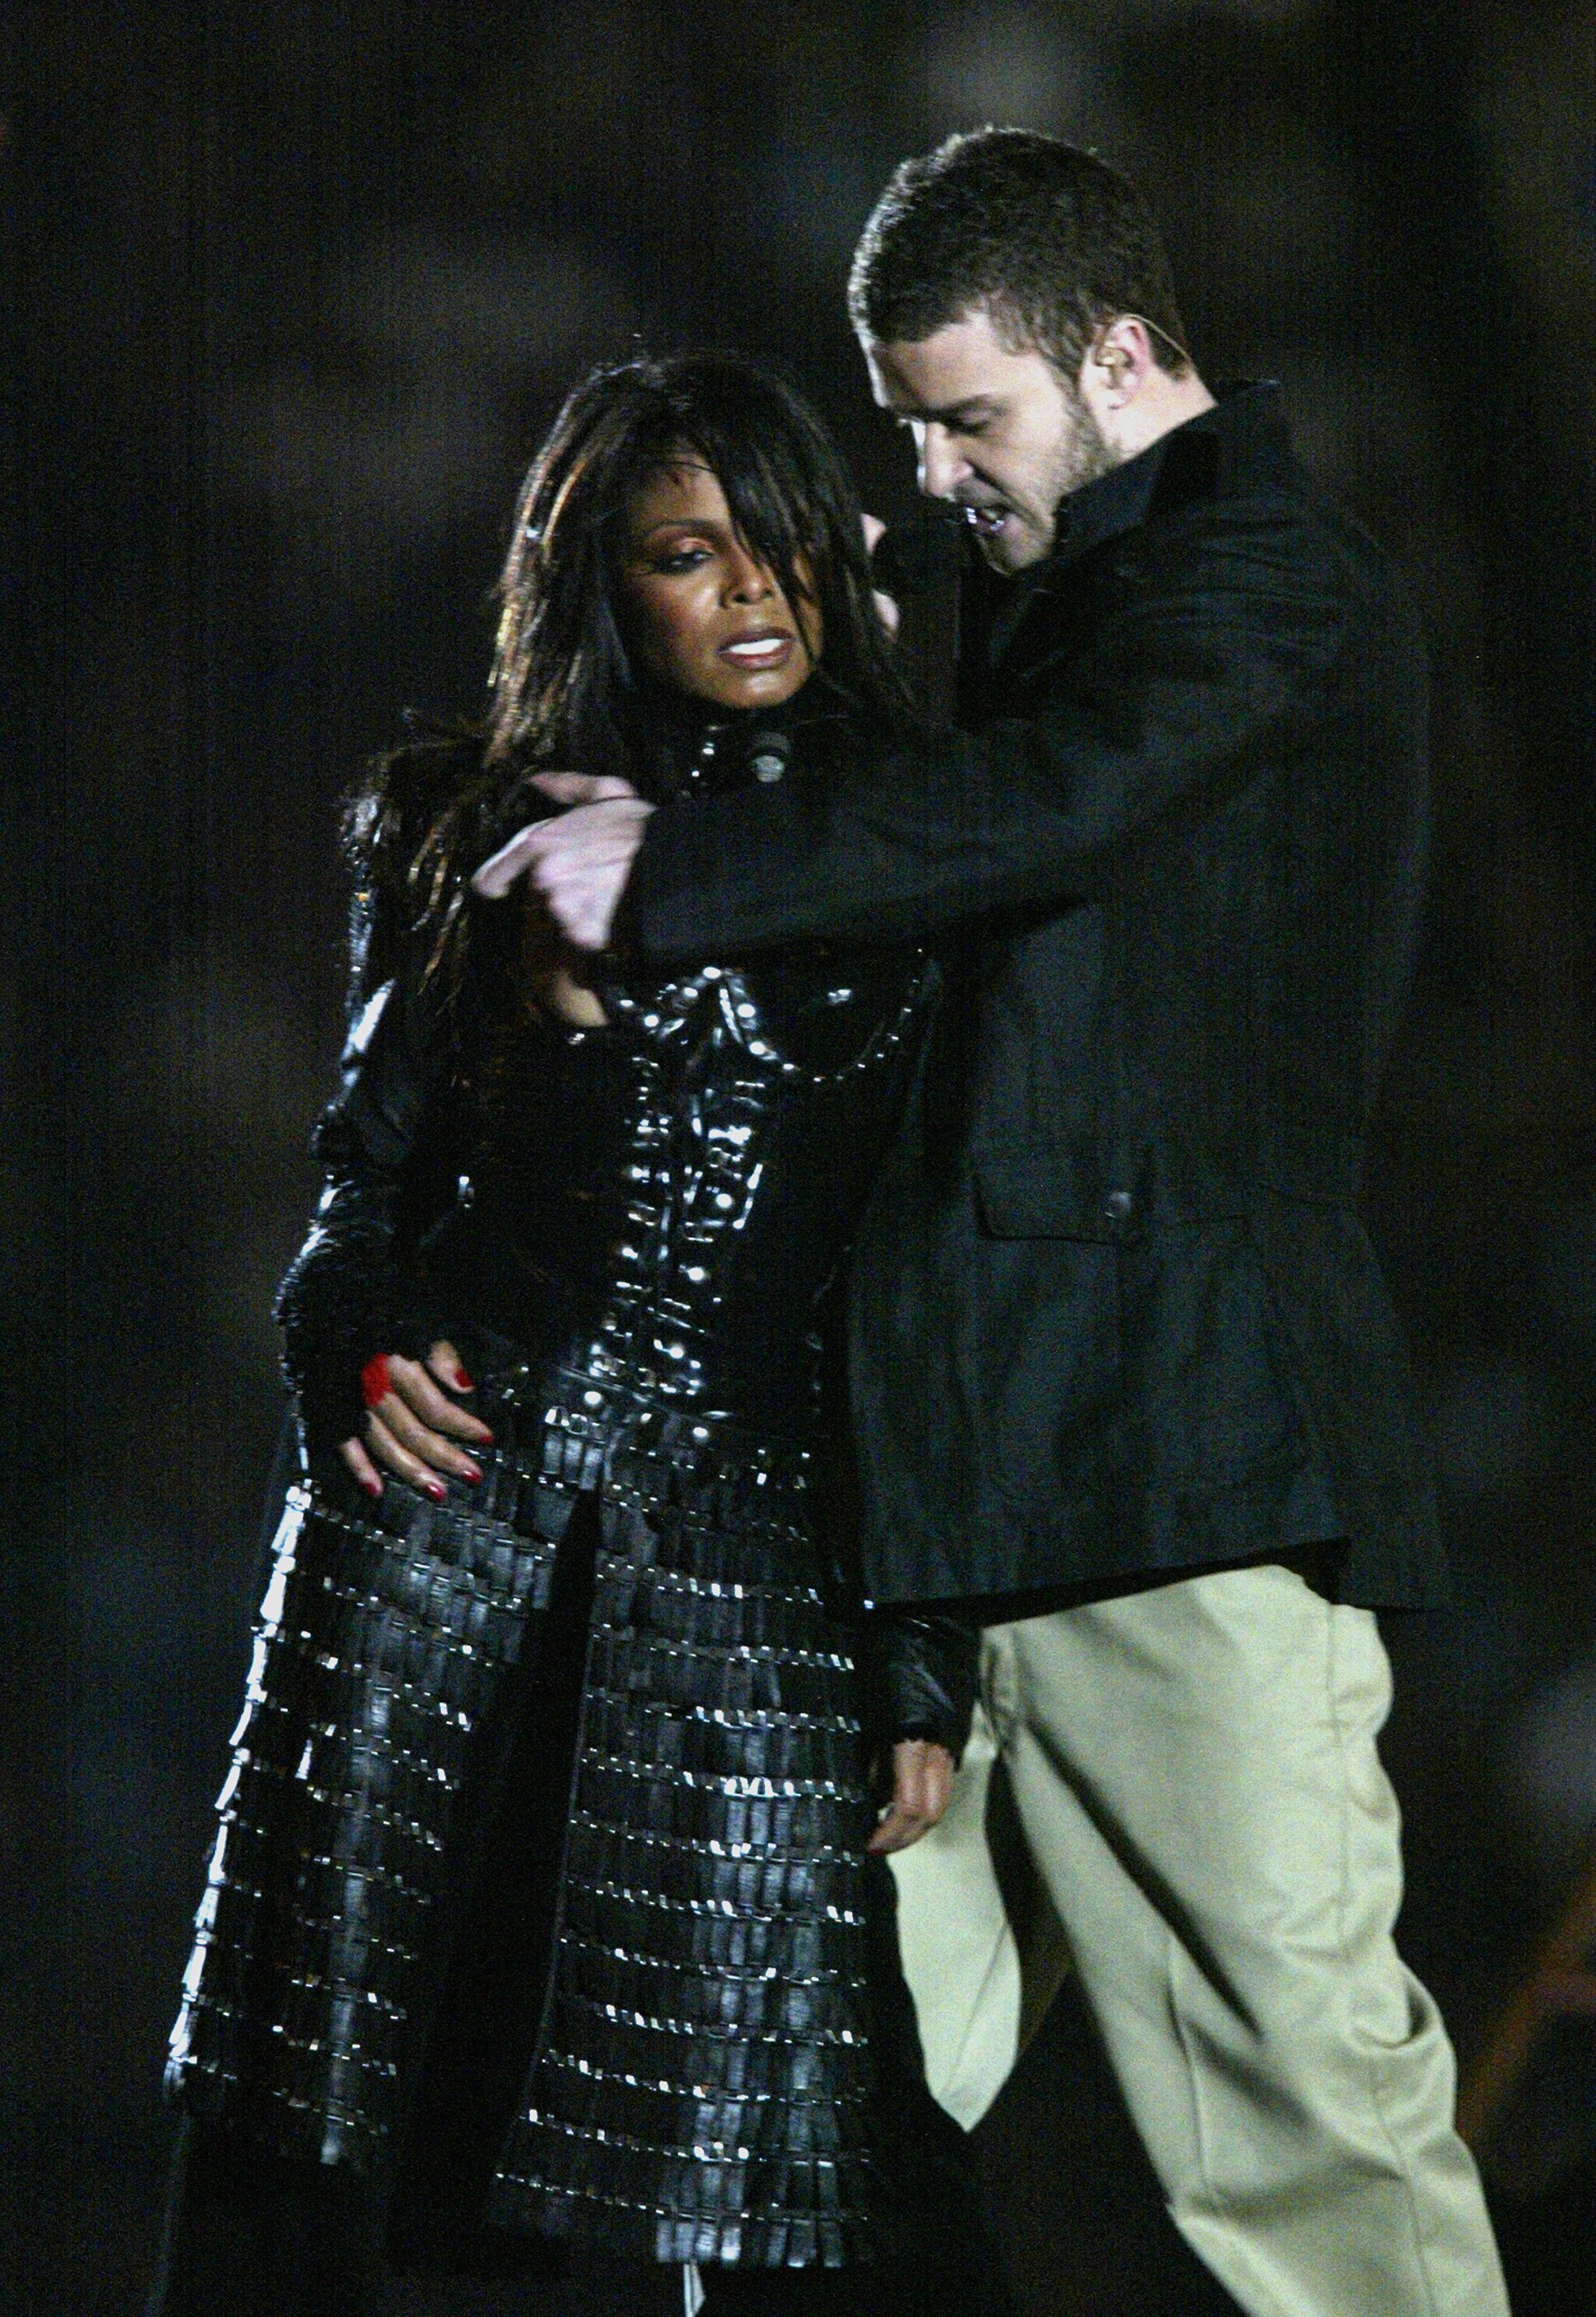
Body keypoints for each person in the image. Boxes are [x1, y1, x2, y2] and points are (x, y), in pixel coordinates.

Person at [482, 132, 1513, 2317]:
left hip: (1179, 1489)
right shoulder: (1009, 612)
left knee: (1301, 2137)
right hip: (934, 1514)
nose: (938, 469)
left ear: (1124, 356)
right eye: (915, 426)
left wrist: (665, 878)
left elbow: (1042, 808)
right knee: (828, 2122)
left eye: (972, 416)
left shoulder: (1271, 589)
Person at [151, 352, 994, 2317]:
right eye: (688, 555)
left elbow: (921, 1280)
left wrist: (918, 1646)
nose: (751, 593)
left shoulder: (929, 857)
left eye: (779, 542)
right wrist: (349, 1348)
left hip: (757, 1564)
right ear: (605, 585)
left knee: (791, 2151)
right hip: (439, 1541)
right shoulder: (463, 821)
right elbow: (358, 1190)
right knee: (322, 2104)